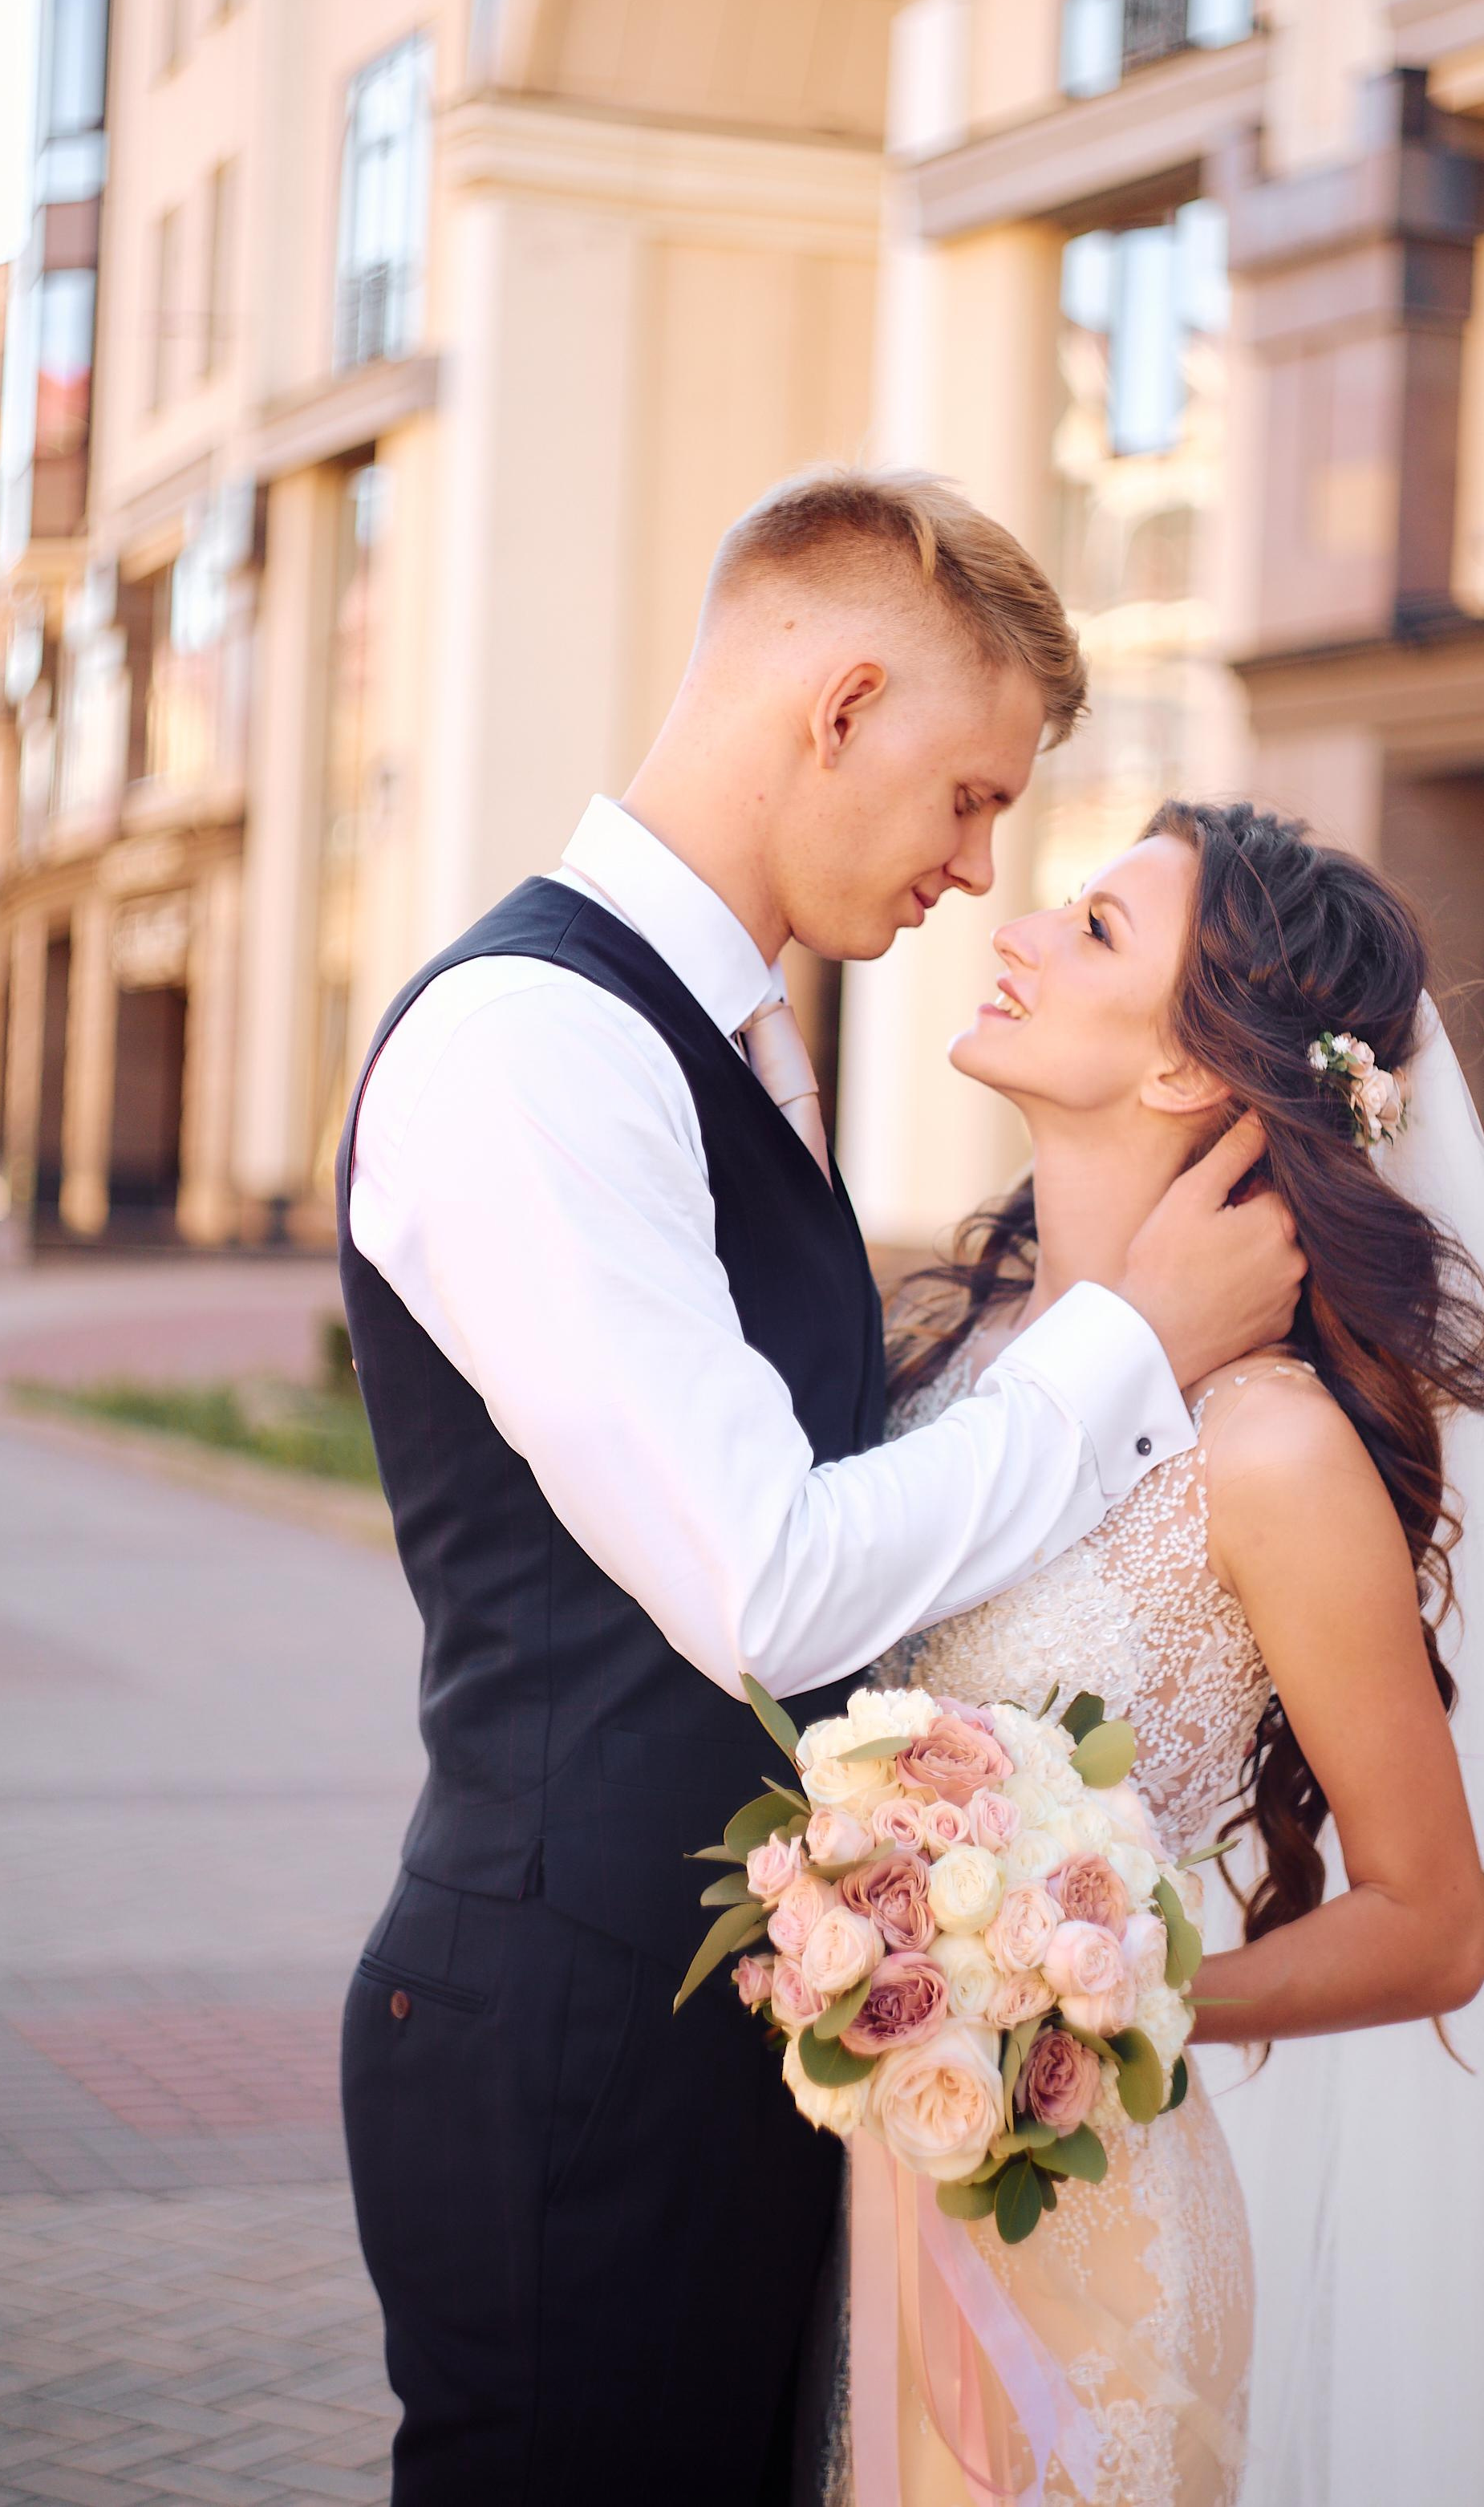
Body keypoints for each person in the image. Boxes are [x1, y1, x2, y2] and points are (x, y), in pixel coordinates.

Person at [333, 472, 1304, 2505]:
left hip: (719, 2057)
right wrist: (1127, 1343)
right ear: (839, 701)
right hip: (570, 2051)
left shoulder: (727, 1038)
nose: (976, 868)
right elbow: (768, 1579)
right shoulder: (536, 1043)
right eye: (967, 796)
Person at [825, 801, 1484, 2507]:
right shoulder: (953, 1365)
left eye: (1092, 930)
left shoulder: (1271, 1451)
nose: (1017, 923)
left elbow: (1435, 1919)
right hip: (866, 2205)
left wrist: (1091, 1995)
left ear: (1187, 1071)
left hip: (1088, 2235)